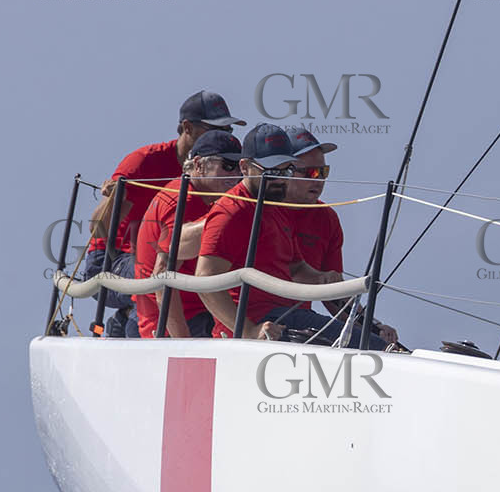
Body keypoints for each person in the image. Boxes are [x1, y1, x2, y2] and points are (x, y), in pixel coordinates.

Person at [82, 90, 246, 337]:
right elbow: (99, 226)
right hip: (110, 259)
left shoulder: (220, 173)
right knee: (149, 272)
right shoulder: (143, 162)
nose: (221, 137)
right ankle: (133, 329)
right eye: (214, 130)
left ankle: (126, 321)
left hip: (156, 251)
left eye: (227, 131)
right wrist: (114, 198)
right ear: (187, 128)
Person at [194, 123, 344, 342]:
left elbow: (295, 267)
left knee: (364, 342)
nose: (280, 179)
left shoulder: (273, 204)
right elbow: (205, 281)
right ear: (244, 167)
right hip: (260, 321)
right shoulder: (233, 211)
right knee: (359, 345)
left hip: (285, 317)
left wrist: (321, 278)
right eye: (272, 171)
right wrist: (247, 331)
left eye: (287, 170)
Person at [280, 124, 398, 346]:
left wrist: (372, 325)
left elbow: (334, 291)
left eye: (323, 172)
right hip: (259, 318)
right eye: (310, 173)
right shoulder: (259, 209)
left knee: (380, 346)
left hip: (299, 321)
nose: (318, 180)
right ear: (283, 170)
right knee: (372, 347)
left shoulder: (326, 219)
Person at [132, 131, 243, 338]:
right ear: (199, 164)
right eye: (228, 165)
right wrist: (181, 342)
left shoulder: (187, 192)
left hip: (187, 315)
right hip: (177, 324)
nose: (236, 174)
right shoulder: (186, 200)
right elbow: (163, 275)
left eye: (240, 167)